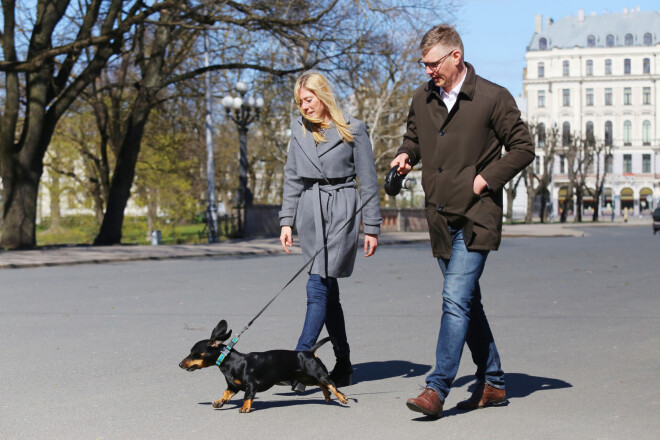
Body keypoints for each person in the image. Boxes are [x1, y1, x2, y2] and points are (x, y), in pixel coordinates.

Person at [390, 24, 535, 418]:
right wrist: (406, 155)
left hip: (476, 216)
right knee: (467, 302)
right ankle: (494, 383)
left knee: (454, 299)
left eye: (433, 63)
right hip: (439, 218)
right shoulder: (423, 97)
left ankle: (436, 389)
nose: (427, 71)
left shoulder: (492, 97)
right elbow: (415, 137)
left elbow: (523, 147)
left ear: (456, 56)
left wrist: (487, 178)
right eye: (423, 64)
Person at [279, 72, 382, 391]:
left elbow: (367, 180)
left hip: (341, 208)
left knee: (317, 285)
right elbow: (292, 176)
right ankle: (344, 364)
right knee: (328, 290)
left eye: (308, 100)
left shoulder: (354, 129)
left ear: (323, 96)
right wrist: (287, 219)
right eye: (300, 102)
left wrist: (372, 226)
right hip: (311, 210)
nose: (304, 107)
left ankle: (300, 359)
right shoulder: (298, 129)